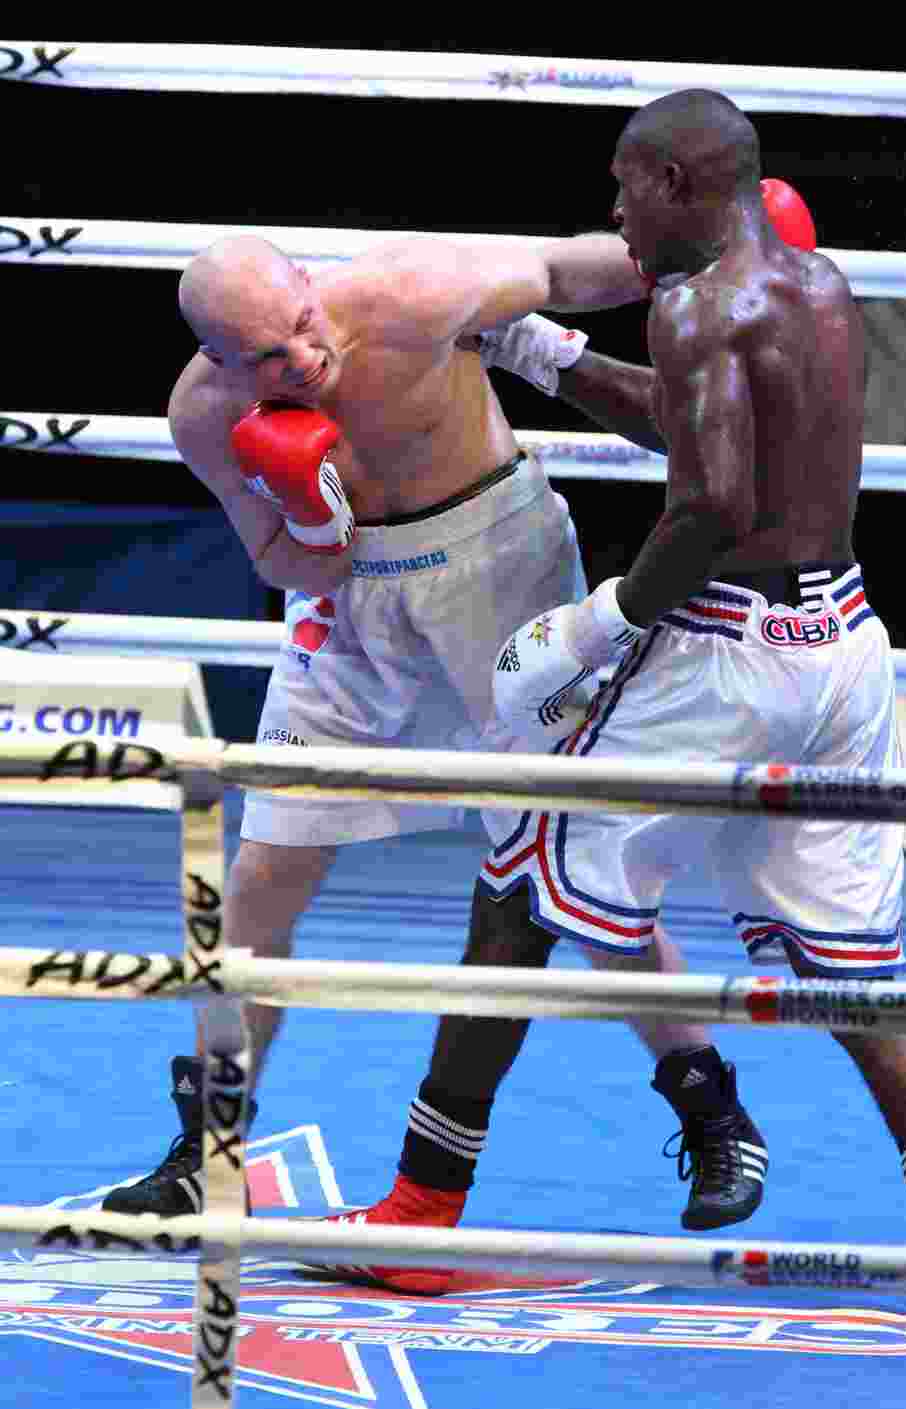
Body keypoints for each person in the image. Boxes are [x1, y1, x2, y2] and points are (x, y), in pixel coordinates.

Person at [317, 89, 906, 1325]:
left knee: (521, 879)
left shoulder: (691, 306)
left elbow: (709, 505)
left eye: (627, 185)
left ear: (683, 182)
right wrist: (555, 357)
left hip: (725, 656)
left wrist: (599, 626)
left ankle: (419, 1216)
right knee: (852, 957)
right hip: (843, 646)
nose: (614, 212)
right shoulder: (821, 289)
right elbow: (705, 432)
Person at [101, 225, 765, 1233]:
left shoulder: (409, 295)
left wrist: (690, 253)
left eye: (303, 324)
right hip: (351, 605)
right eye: (270, 356)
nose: (303, 359)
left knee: (571, 864)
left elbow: (561, 271)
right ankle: (205, 1149)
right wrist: (314, 521)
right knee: (259, 879)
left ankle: (714, 1110)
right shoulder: (205, 413)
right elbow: (284, 563)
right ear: (225, 362)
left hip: (497, 570)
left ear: (309, 287)